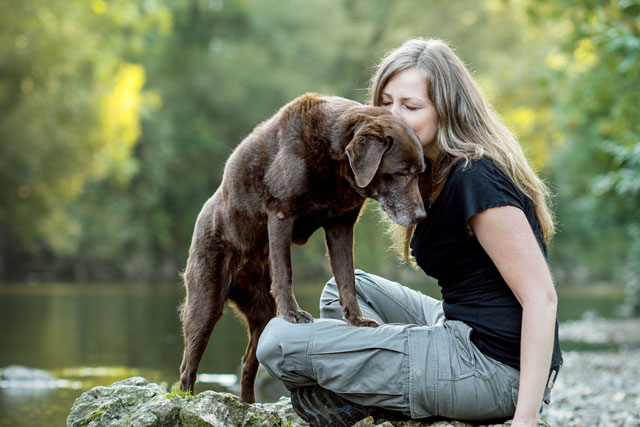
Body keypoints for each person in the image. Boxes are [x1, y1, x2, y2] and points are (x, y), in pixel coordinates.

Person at [256, 38, 562, 427]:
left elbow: (542, 297)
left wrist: (525, 418)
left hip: (495, 368)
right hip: (456, 325)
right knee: (343, 291)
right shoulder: (425, 170)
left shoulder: (476, 177)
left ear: (447, 111)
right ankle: (380, 391)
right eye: (386, 102)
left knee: (279, 342)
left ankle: (370, 394)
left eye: (411, 106)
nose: (395, 117)